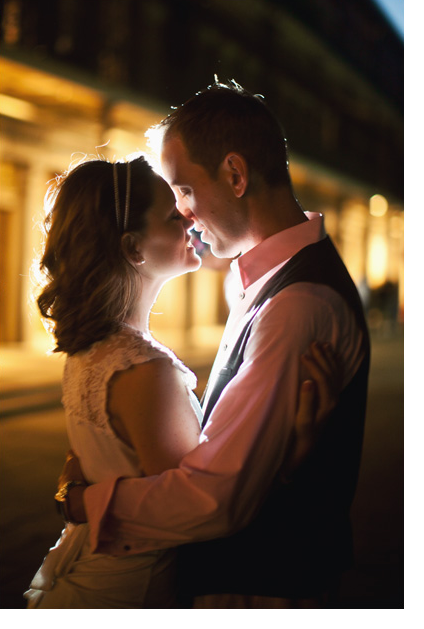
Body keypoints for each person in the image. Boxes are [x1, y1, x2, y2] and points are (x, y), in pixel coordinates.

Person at [57, 81, 370, 608]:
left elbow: (214, 495)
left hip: (263, 589)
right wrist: (286, 460)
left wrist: (83, 503)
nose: (183, 213)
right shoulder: (260, 283)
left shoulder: (297, 305)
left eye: (182, 190)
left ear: (235, 174)